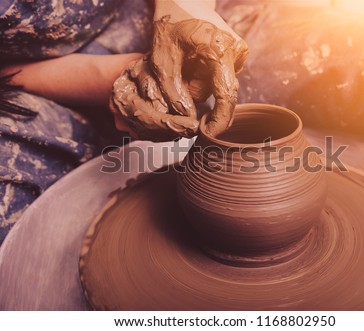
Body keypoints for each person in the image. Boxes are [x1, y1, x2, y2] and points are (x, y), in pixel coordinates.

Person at [0, 0, 248, 244]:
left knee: (262, 73)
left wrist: (187, 13)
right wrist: (108, 78)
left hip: (145, 13)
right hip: (24, 81)